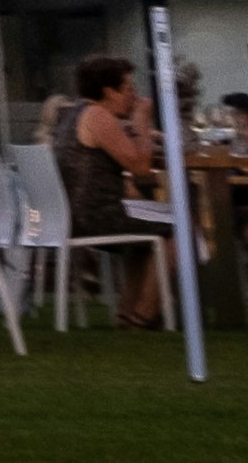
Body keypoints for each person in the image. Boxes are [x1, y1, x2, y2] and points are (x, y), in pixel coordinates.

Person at [51, 53, 171, 329]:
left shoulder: (73, 113)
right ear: (109, 92)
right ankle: (144, 315)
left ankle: (127, 313)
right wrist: (142, 122)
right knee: (178, 226)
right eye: (129, 89)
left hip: (74, 215)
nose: (134, 96)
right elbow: (141, 168)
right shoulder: (98, 115)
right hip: (95, 215)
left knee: (152, 226)